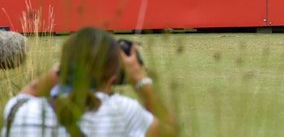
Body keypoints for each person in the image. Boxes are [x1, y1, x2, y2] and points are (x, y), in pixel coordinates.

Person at [3, 27, 175, 136]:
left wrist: (65, 66)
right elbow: (170, 130)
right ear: (112, 77)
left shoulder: (20, 111)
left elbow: (32, 90)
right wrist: (138, 77)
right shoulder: (123, 112)